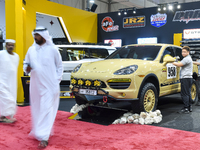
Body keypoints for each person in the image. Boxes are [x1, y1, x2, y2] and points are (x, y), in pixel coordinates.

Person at [24, 27, 63, 148]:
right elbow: (26, 63)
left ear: (44, 35)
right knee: (37, 108)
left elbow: (59, 66)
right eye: (34, 35)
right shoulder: (31, 50)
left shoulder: (53, 49)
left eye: (37, 35)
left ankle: (44, 136)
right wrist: (27, 69)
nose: (35, 38)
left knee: (47, 109)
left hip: (50, 86)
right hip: (36, 86)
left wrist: (56, 81)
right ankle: (39, 131)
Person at [0, 39, 19, 123]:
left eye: (12, 45)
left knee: (11, 97)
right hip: (2, 80)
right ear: (6, 46)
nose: (10, 46)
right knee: (6, 98)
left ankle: (2, 116)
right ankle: (2, 116)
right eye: (9, 45)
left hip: (12, 82)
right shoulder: (1, 54)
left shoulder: (16, 56)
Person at [172, 46, 193, 114]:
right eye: (182, 52)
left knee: (184, 94)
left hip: (185, 78)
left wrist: (172, 62)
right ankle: (189, 107)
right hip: (188, 78)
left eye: (184, 52)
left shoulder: (186, 59)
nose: (183, 53)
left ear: (188, 52)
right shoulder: (187, 58)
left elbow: (179, 64)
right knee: (187, 93)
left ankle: (186, 108)